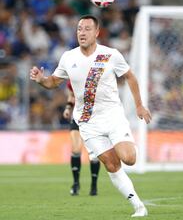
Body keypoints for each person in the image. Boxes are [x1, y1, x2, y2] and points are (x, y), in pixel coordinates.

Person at [30, 15, 151, 217]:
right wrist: (42, 79)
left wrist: (139, 106)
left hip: (112, 116)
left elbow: (129, 76)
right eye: (79, 29)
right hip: (87, 122)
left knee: (128, 159)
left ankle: (126, 144)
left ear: (96, 33)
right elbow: (53, 82)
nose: (82, 32)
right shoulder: (69, 57)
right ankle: (139, 206)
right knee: (111, 164)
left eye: (87, 29)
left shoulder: (110, 55)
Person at [63, 80, 100, 196]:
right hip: (78, 117)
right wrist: (68, 108)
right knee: (75, 149)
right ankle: (75, 183)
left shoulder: (97, 77)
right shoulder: (73, 77)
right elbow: (72, 94)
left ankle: (94, 185)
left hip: (94, 119)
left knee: (94, 154)